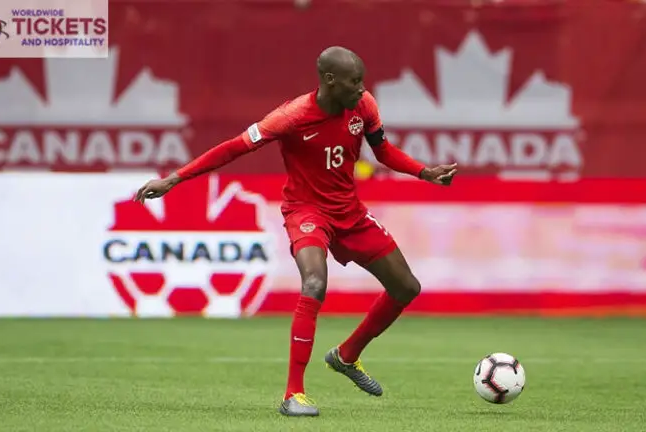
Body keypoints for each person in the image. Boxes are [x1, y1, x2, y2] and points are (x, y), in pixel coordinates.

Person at [134, 46, 458, 417]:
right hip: (307, 212)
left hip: (350, 213)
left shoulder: (363, 105)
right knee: (314, 284)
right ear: (330, 81)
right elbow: (232, 149)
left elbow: (382, 151)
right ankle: (294, 394)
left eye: (362, 81)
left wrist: (424, 172)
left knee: (406, 287)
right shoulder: (291, 117)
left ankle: (346, 356)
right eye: (354, 81)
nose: (362, 88)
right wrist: (175, 178)